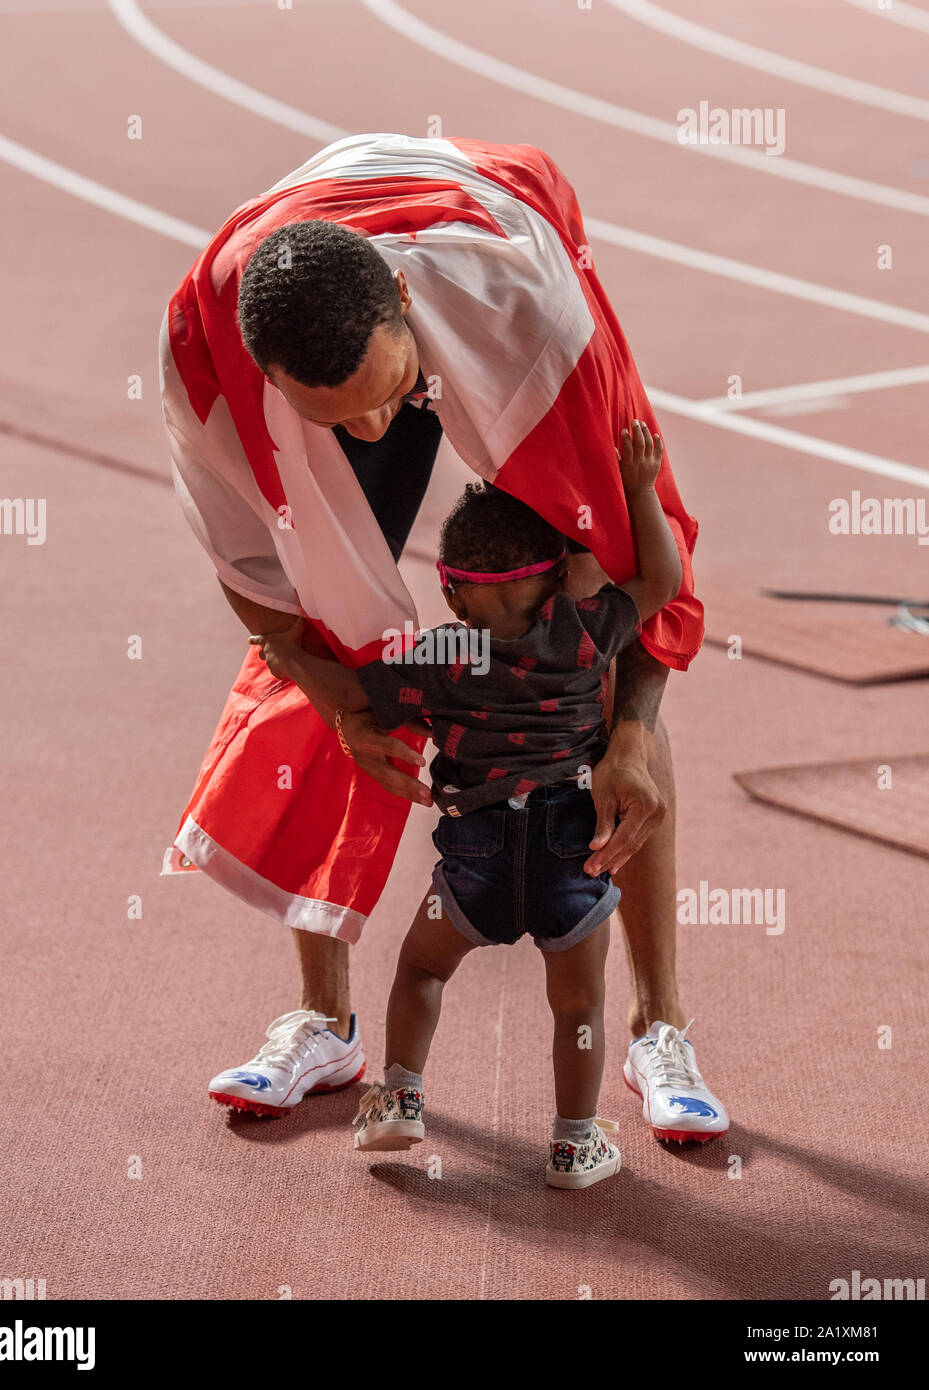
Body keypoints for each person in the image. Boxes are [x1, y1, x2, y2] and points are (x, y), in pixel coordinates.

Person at [160, 133, 728, 1143]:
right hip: (346, 318)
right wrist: (343, 703)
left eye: (389, 394)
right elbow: (260, 596)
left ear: (406, 303)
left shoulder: (534, 323)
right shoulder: (207, 364)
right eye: (341, 417)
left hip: (495, 255)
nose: (378, 428)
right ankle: (322, 1024)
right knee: (330, 654)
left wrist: (633, 724)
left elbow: (653, 577)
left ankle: (660, 1026)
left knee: (585, 649)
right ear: (267, 381)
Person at [257, 422, 724, 1185]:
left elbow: (352, 697)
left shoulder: (444, 654)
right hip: (571, 854)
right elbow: (660, 585)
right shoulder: (584, 630)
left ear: (448, 586)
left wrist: (291, 658)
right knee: (577, 1009)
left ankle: (400, 1098)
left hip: (471, 859)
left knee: (420, 973)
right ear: (556, 579)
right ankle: (574, 1143)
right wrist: (639, 489)